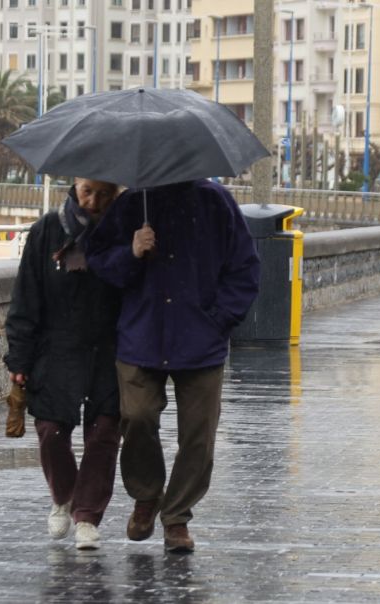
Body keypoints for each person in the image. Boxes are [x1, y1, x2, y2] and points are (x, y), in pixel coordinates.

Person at [85, 179, 260, 554]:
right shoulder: (133, 202)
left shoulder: (217, 202)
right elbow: (99, 260)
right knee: (136, 416)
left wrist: (219, 318)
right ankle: (146, 496)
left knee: (199, 434)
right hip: (141, 334)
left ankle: (177, 516)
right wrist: (131, 251)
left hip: (200, 339)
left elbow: (244, 266)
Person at [3, 177, 122, 551]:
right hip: (57, 346)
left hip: (112, 347)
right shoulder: (47, 230)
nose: (93, 201)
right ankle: (64, 496)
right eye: (88, 191)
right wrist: (19, 358)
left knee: (104, 433)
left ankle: (87, 516)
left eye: (104, 194)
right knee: (51, 429)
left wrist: (136, 251)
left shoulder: (127, 228)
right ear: (75, 185)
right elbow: (25, 298)